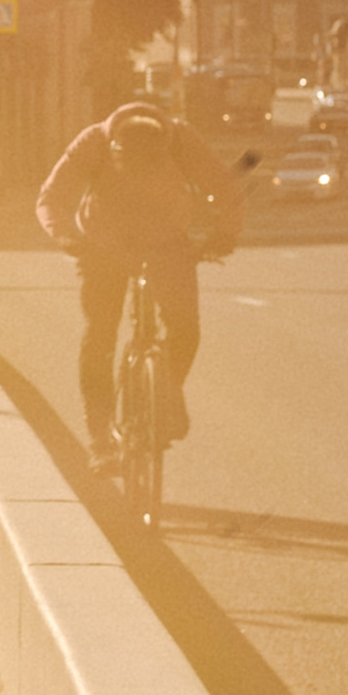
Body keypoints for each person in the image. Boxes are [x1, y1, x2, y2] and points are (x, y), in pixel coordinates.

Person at [34, 95, 247, 462]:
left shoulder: (182, 141)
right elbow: (51, 197)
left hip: (165, 241)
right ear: (115, 151)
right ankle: (100, 437)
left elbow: (225, 187)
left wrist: (225, 233)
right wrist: (66, 236)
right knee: (100, 333)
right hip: (103, 244)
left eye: (149, 167)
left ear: (163, 151)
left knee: (185, 328)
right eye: (129, 166)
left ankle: (164, 395)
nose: (140, 175)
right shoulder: (93, 143)